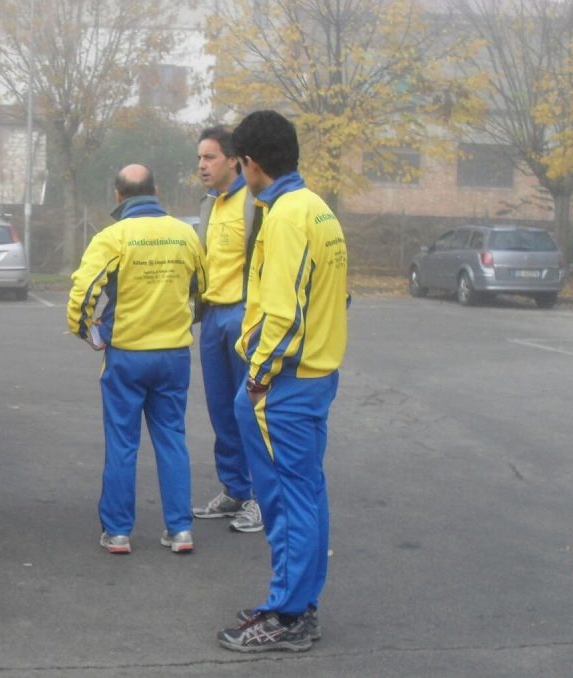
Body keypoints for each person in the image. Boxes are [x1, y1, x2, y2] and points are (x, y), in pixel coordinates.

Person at [217, 110, 348, 653]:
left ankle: (289, 615)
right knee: (306, 495)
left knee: (287, 501)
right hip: (314, 374)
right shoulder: (317, 209)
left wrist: (257, 377)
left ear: (249, 164)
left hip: (285, 384)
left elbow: (285, 313)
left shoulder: (287, 216)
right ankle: (296, 603)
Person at [67, 164, 207, 555]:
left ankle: (118, 532)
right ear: (156, 189)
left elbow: (83, 292)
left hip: (127, 355)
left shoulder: (113, 237)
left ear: (117, 195)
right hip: (174, 354)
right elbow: (204, 289)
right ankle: (180, 530)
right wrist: (184, 321)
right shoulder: (186, 234)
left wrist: (87, 331)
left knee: (122, 443)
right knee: (172, 439)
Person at [192, 125, 263, 533]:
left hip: (243, 315)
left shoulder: (253, 204)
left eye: (210, 157)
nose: (202, 165)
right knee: (220, 409)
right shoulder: (209, 204)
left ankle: (258, 497)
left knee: (248, 410)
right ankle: (234, 489)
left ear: (234, 159)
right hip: (212, 316)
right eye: (200, 158)